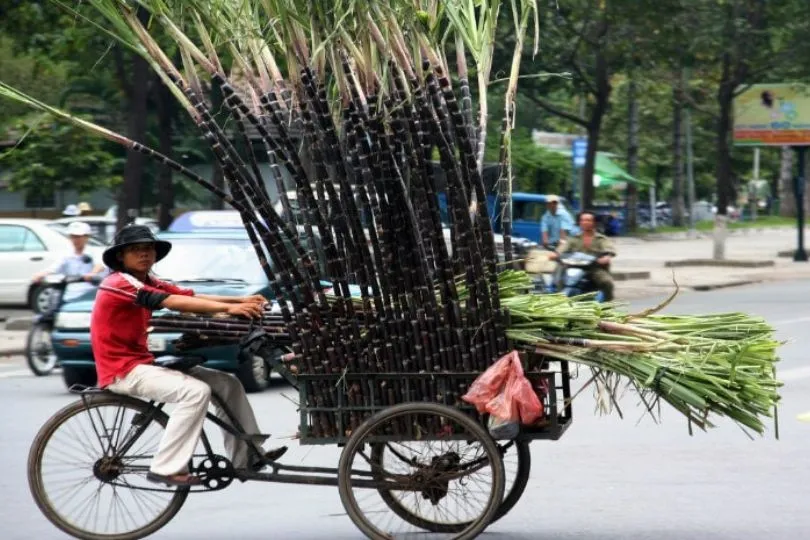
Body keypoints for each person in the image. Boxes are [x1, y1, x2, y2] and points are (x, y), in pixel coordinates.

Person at [90, 225, 288, 487]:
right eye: (136, 250)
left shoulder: (147, 281)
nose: (144, 254)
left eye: (148, 249)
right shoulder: (118, 283)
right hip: (123, 370)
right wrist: (235, 306)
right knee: (195, 393)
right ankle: (167, 468)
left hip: (143, 363)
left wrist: (240, 300)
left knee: (228, 384)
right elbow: (172, 302)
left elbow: (189, 295)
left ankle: (248, 457)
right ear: (120, 258)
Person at [31, 221, 107, 305]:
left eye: (78, 237)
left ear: (86, 237)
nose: (75, 240)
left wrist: (92, 274)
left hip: (90, 294)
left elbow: (100, 265)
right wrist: (40, 274)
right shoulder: (66, 254)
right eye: (72, 237)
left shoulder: (95, 252)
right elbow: (54, 268)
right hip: (69, 293)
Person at [549, 210, 616, 301]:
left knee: (607, 282)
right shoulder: (573, 238)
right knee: (557, 280)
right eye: (583, 220)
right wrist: (555, 254)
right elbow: (563, 248)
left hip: (593, 268)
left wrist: (606, 257)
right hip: (572, 267)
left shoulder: (601, 239)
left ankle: (608, 304)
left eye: (588, 220)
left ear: (594, 223)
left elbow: (609, 249)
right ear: (579, 222)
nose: (585, 222)